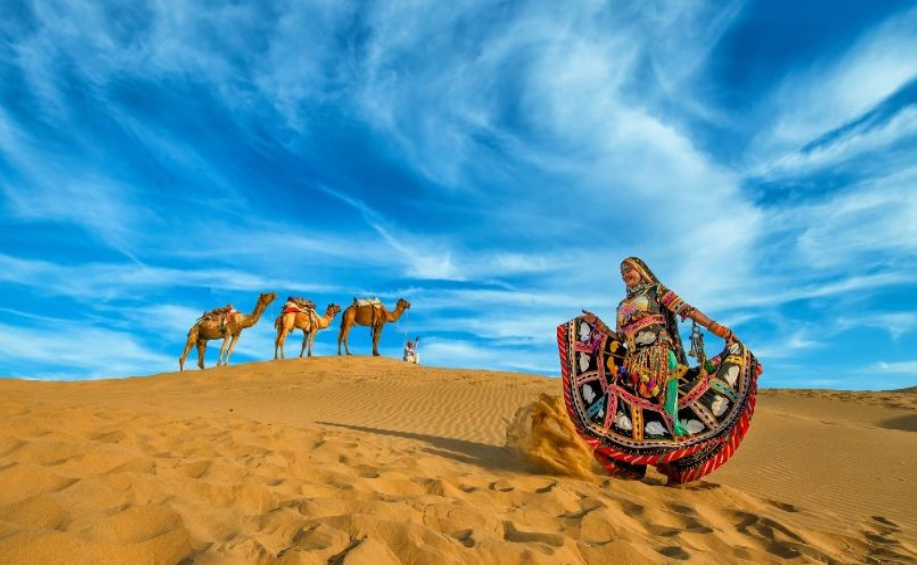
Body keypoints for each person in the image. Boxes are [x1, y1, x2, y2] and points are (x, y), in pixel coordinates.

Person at [559, 256, 762, 484]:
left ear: (641, 271)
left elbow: (688, 310)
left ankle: (677, 460)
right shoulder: (621, 306)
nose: (625, 274)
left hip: (660, 359)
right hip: (633, 364)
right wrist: (597, 324)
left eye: (629, 269)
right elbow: (621, 338)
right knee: (622, 410)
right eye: (622, 272)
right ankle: (630, 466)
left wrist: (720, 330)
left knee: (667, 415)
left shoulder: (657, 291)